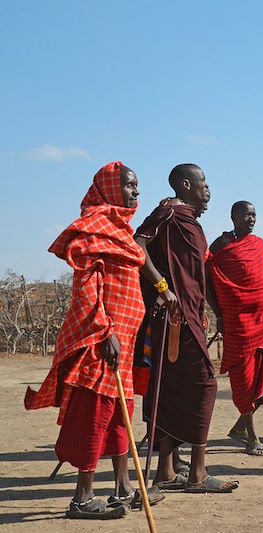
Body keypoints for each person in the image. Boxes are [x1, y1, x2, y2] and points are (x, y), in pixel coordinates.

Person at [25, 162, 163, 519]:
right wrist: (105, 332)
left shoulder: (120, 229)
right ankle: (82, 498)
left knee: (121, 417)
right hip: (102, 343)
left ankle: (123, 488)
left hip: (124, 342)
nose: (136, 192)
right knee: (96, 416)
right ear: (110, 188)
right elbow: (87, 289)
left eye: (137, 186)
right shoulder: (94, 228)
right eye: (130, 186)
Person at [134, 163, 238, 493]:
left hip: (190, 316)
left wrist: (215, 311)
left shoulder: (188, 221)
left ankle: (165, 471)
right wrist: (163, 287)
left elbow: (198, 276)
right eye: (203, 182)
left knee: (173, 388)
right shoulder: (168, 212)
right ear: (185, 184)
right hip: (172, 318)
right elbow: (137, 245)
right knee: (204, 385)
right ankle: (198, 473)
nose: (208, 188)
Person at [207, 201, 263, 456]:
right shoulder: (221, 245)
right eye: (246, 214)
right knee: (243, 378)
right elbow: (207, 278)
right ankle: (251, 437)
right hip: (237, 322)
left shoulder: (259, 244)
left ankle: (240, 427)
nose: (251, 219)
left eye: (254, 215)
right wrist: (218, 312)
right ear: (233, 217)